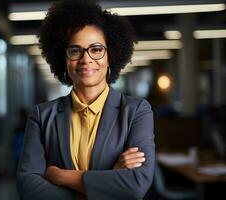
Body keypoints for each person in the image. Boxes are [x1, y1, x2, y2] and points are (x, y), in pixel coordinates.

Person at [17, 1, 155, 200]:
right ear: (64, 59)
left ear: (110, 56)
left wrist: (61, 176)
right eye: (75, 51)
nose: (86, 59)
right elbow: (28, 187)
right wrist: (108, 181)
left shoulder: (136, 111)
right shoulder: (42, 116)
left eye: (96, 49)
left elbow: (136, 185)